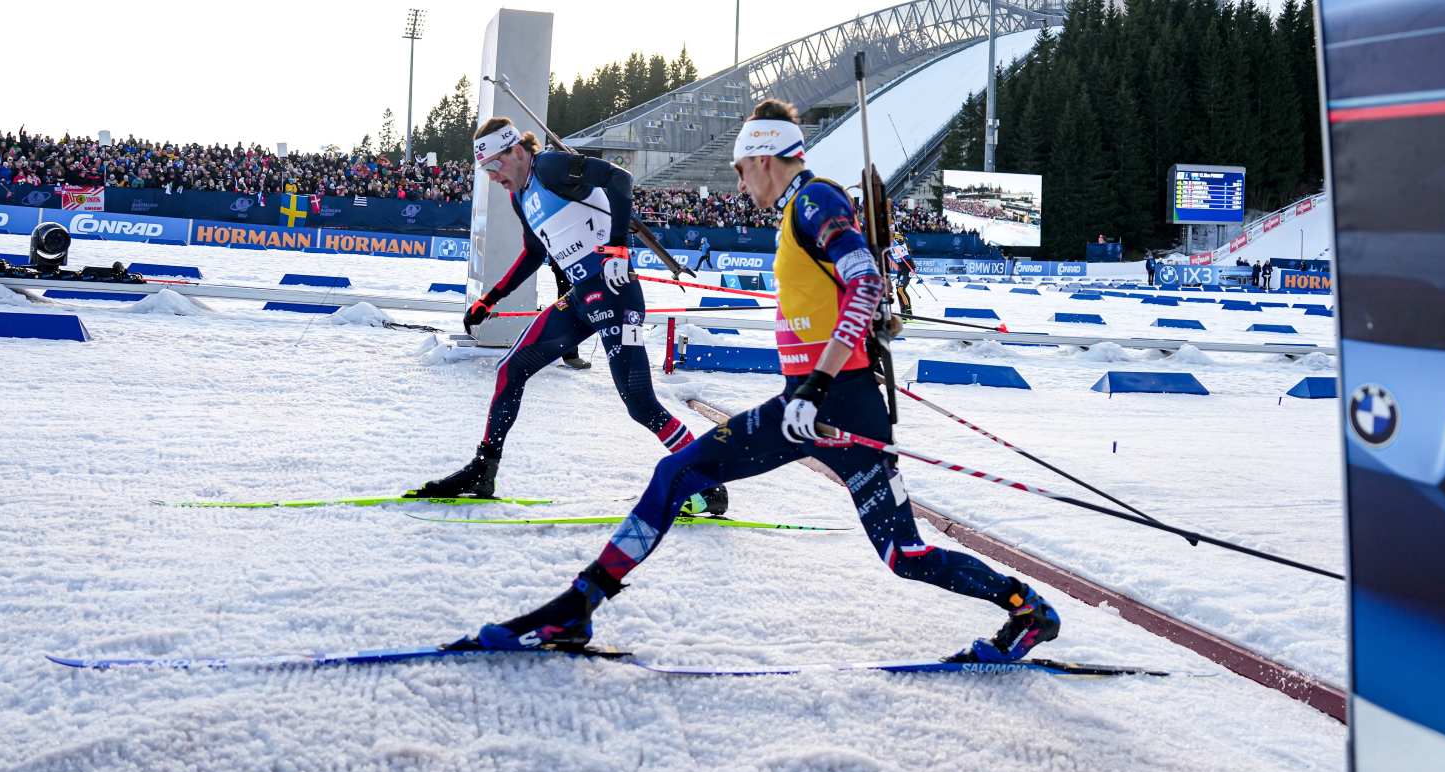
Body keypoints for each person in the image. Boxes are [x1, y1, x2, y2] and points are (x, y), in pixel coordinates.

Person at [452, 99, 1060, 663]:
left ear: (766, 160)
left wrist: (817, 387)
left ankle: (1025, 608)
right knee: (692, 479)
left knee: (898, 553)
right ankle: (1027, 611)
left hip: (831, 406)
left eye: (743, 171)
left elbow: (865, 284)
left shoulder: (815, 200)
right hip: (820, 407)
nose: (740, 187)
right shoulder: (799, 209)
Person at [408, 118, 727, 517]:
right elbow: (534, 254)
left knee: (640, 402)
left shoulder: (550, 167)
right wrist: (491, 298)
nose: (493, 177)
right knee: (511, 369)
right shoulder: (519, 197)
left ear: (517, 151)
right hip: (581, 297)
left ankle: (708, 484)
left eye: (495, 166)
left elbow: (621, 181)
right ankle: (483, 470)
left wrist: (617, 250)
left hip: (614, 291)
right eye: (486, 171)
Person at [885, 233, 917, 317]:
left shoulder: (896, 237)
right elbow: (894, 264)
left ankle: (909, 312)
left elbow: (902, 239)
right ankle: (903, 312)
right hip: (901, 269)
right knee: (898, 290)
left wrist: (894, 240)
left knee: (901, 289)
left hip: (908, 267)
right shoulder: (887, 248)